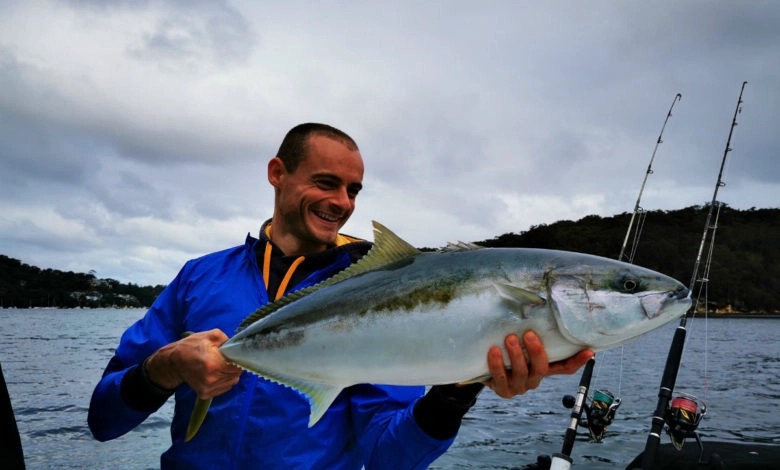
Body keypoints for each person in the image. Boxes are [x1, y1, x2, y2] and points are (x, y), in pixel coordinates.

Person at [88, 123, 593, 469]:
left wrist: (457, 389)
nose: (342, 204)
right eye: (327, 183)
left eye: (354, 190)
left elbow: (389, 456)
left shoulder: (374, 292)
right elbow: (104, 420)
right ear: (277, 172)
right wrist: (167, 366)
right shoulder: (200, 277)